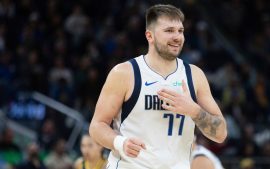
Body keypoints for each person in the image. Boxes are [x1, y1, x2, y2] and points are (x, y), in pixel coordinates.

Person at [89, 4, 227, 169]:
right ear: (150, 36)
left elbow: (221, 134)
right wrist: (120, 142)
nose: (177, 37)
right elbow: (97, 126)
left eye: (180, 31)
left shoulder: (195, 76)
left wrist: (193, 110)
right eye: (169, 31)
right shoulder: (125, 73)